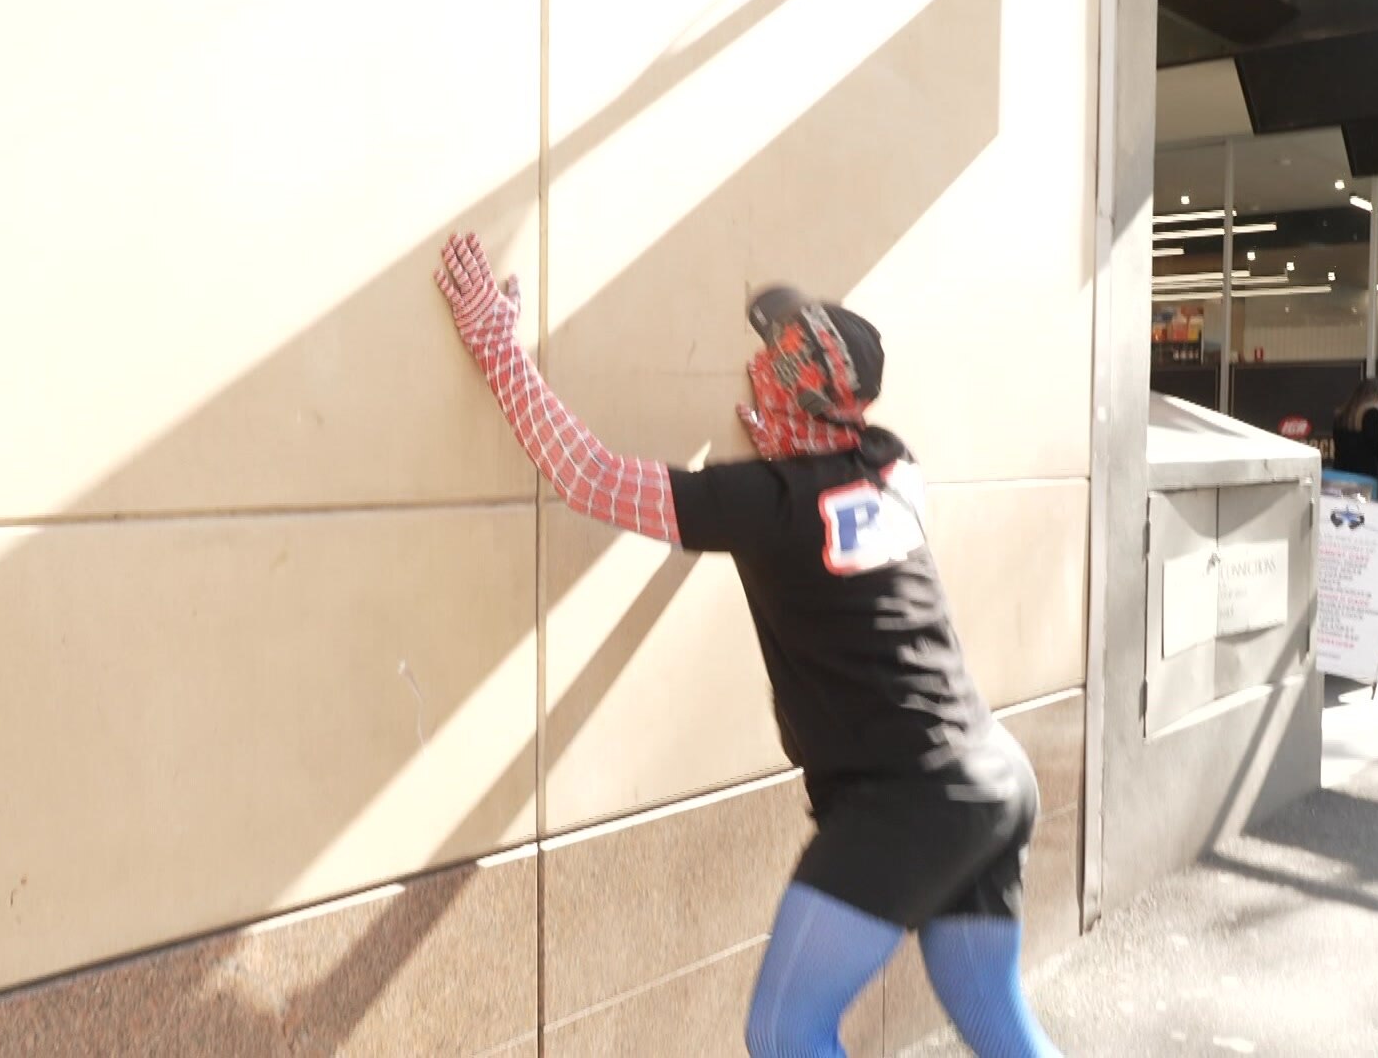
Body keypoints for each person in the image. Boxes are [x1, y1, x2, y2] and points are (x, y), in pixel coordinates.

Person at [434, 233, 1059, 1058]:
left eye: (767, 360)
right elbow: (818, 487)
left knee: (785, 1029)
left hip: (905, 802)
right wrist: (783, 432)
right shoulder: (889, 465)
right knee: (993, 1017)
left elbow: (586, 475)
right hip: (993, 777)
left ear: (779, 391)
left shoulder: (767, 504)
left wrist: (496, 347)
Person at [1331, 378, 1378, 479]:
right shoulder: (1372, 415)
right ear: (1377, 396)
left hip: (1343, 477)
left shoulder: (1342, 416)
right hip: (1368, 478)